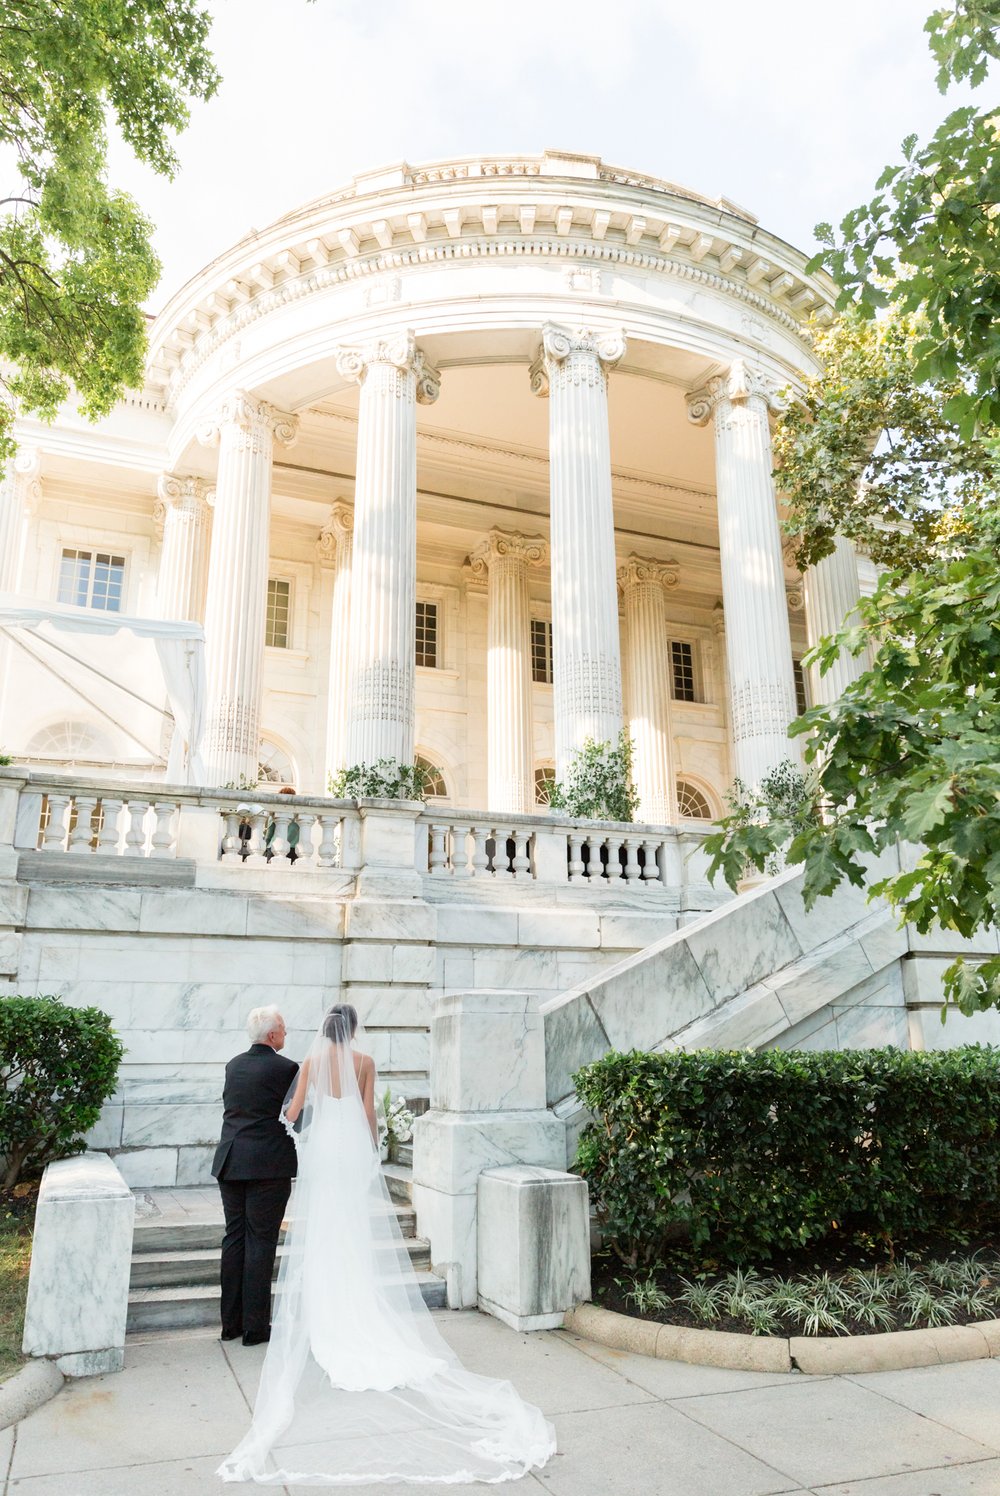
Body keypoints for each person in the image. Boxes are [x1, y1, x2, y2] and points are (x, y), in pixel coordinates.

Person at [218, 1003, 555, 1485]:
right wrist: (371, 1152)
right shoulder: (365, 1063)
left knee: (316, 1239)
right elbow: (369, 1113)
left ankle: (315, 1320)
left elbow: (290, 1115)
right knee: (349, 1235)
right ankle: (354, 1314)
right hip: (350, 1154)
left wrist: (302, 1139)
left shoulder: (309, 1063)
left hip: (321, 1157)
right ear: (354, 1030)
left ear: (322, 1031)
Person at [212, 1006, 299, 1347]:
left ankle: (229, 1324)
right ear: (273, 1035)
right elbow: (297, 1115)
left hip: (230, 1159)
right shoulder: (288, 1068)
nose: (286, 1035)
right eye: (284, 1029)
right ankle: (255, 1328)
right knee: (261, 1240)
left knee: (234, 1238)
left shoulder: (233, 1065)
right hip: (267, 1164)